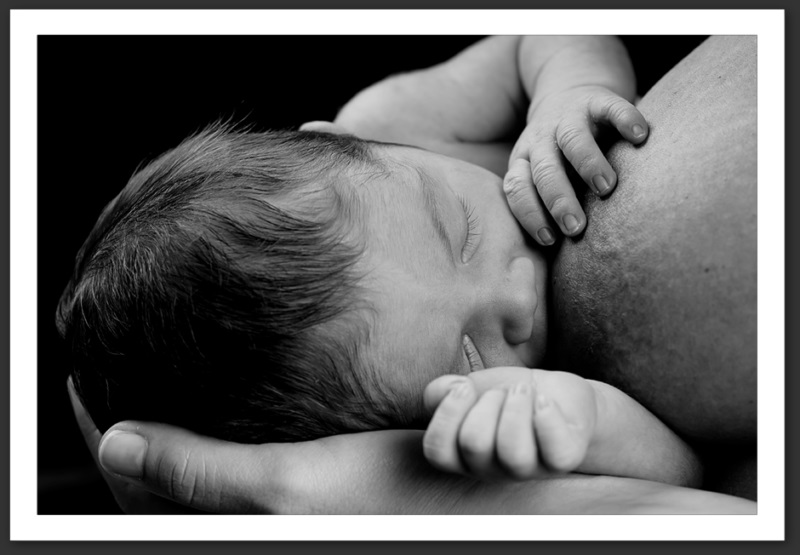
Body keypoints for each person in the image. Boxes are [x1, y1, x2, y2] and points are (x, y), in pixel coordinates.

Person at [67, 35, 757, 513]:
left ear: (339, 143)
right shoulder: (496, 422)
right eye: (469, 353)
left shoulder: (394, 119)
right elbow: (687, 473)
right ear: (375, 445)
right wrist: (584, 419)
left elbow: (537, 38)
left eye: (459, 229)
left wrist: (567, 88)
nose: (516, 293)